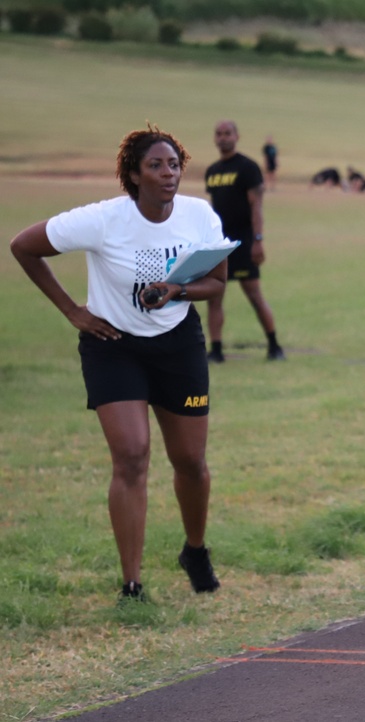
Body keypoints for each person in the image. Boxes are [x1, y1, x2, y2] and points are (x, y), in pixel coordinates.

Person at [9, 124, 225, 604]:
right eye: (156, 165)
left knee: (190, 461)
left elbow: (217, 283)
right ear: (134, 174)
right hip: (114, 346)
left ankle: (195, 550)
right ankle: (132, 585)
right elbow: (23, 245)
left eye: (174, 165)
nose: (168, 174)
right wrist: (72, 311)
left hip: (178, 346)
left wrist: (177, 290)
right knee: (131, 456)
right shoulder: (103, 220)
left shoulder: (200, 216)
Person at [204, 120, 285, 362]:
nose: (223, 138)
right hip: (219, 243)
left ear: (237, 136)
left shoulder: (248, 167)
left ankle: (274, 345)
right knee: (214, 296)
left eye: (227, 133)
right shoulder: (212, 171)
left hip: (243, 241)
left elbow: (256, 206)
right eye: (218, 134)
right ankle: (216, 350)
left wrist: (257, 240)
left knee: (253, 294)